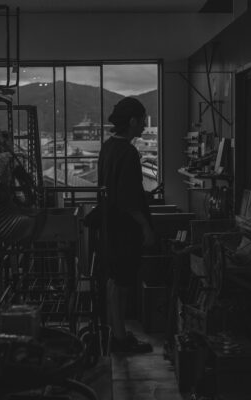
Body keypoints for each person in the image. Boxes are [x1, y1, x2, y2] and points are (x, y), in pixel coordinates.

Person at [97, 97, 156, 353]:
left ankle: (117, 333)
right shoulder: (128, 152)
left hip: (110, 224)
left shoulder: (108, 147)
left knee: (114, 281)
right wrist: (145, 227)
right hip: (125, 228)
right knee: (122, 283)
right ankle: (120, 339)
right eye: (142, 120)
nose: (144, 125)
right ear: (132, 121)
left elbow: (114, 189)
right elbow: (127, 199)